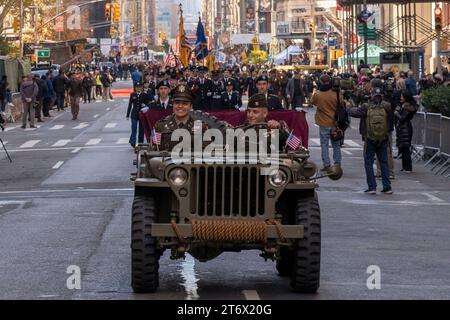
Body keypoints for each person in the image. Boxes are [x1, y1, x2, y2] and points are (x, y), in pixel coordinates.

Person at [347, 87, 393, 195]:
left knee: (368, 162)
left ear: (371, 96)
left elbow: (353, 113)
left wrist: (349, 106)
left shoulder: (366, 107)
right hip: (383, 138)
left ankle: (372, 187)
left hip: (369, 138)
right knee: (383, 162)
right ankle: (387, 187)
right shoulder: (387, 106)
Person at [154, 84, 208, 152]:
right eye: (177, 103)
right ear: (173, 104)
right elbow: (154, 150)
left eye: (185, 103)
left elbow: (205, 153)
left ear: (191, 106)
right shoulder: (160, 126)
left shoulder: (201, 127)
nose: (180, 106)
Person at [311, 74, 343, 172]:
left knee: (324, 145)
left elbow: (313, 102)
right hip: (335, 122)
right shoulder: (336, 93)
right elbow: (341, 103)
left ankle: (326, 164)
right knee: (336, 145)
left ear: (320, 82)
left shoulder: (318, 94)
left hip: (323, 122)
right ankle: (337, 164)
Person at [395, 90, 418, 173]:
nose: (400, 97)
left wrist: (396, 113)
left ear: (406, 97)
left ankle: (407, 167)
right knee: (403, 148)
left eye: (402, 96)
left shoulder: (406, 107)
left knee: (405, 148)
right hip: (404, 128)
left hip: (405, 129)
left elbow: (403, 118)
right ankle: (405, 167)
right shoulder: (405, 106)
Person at [126, 82, 146, 148]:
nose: (138, 89)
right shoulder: (132, 94)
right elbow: (130, 105)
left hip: (141, 114)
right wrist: (127, 115)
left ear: (141, 88)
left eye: (139, 87)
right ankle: (133, 142)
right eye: (137, 87)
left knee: (141, 129)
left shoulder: (144, 94)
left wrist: (145, 105)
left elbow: (148, 104)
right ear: (135, 88)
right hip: (134, 114)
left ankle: (141, 143)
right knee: (134, 128)